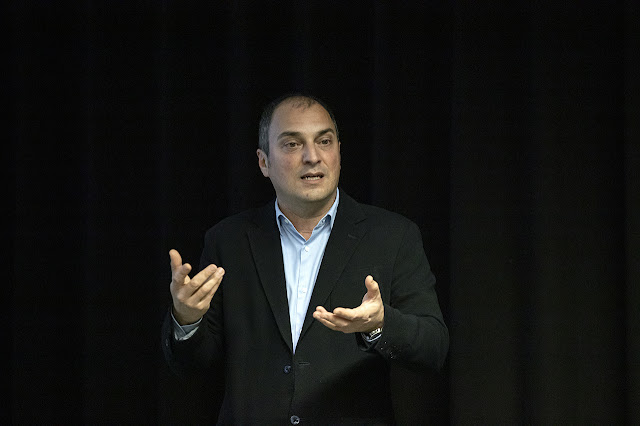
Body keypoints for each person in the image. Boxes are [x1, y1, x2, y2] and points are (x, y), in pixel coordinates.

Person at [162, 94, 448, 424]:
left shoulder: (393, 236)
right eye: (292, 144)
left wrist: (381, 324)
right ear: (263, 162)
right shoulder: (228, 241)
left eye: (324, 141)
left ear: (339, 152)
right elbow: (193, 367)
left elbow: (433, 350)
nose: (312, 157)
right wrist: (187, 320)